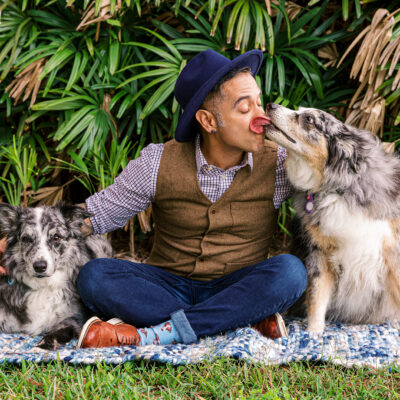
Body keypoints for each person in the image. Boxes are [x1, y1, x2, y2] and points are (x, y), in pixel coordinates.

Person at [1, 49, 307, 347]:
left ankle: (154, 333)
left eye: (259, 103)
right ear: (208, 121)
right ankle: (238, 318)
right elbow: (97, 213)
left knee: (290, 273)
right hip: (166, 287)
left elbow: (327, 197)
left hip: (238, 283)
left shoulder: (281, 163)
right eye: (245, 108)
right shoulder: (157, 162)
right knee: (95, 276)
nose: (263, 117)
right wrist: (9, 241)